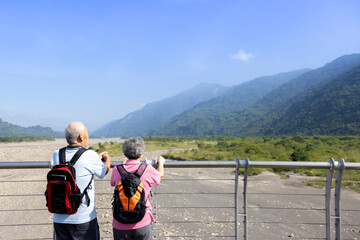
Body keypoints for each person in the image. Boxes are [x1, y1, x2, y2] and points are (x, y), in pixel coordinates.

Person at [52, 122, 111, 240]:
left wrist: (94, 158)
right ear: (81, 137)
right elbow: (103, 172)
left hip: (59, 216)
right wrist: (107, 159)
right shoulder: (90, 155)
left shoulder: (57, 153)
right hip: (82, 219)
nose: (88, 136)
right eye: (86, 133)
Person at [111, 137, 165, 240]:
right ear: (141, 154)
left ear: (125, 153)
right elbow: (160, 176)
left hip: (120, 222)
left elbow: (113, 183)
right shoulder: (147, 169)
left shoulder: (116, 169)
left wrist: (123, 165)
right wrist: (161, 163)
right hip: (142, 221)